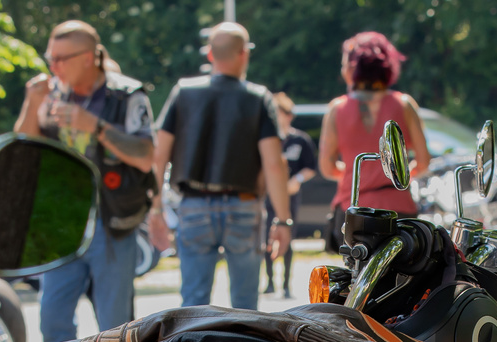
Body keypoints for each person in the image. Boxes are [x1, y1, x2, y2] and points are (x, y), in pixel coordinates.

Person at [16, 20, 157, 342]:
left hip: (111, 223)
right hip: (62, 224)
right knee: (52, 321)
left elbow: (145, 156)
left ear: (89, 57)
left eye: (61, 58)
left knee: (115, 328)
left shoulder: (126, 95)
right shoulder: (50, 93)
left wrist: (95, 126)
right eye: (50, 58)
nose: (53, 66)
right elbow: (24, 152)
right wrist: (31, 102)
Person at [152, 22, 293, 310]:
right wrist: (282, 219)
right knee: (245, 308)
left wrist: (155, 209)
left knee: (192, 305)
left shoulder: (183, 93)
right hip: (244, 207)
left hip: (194, 206)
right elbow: (273, 164)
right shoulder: (258, 98)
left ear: (210, 55)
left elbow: (159, 155)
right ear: (244, 54)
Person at [319, 31, 429, 241]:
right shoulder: (405, 105)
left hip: (355, 209)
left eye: (344, 65)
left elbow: (327, 168)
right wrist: (397, 177)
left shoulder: (336, 109)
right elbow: (423, 162)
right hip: (399, 209)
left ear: (353, 68)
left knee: (358, 272)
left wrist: (358, 176)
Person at [264, 92, 316, 299]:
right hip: (267, 196)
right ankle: (268, 282)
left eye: (280, 114)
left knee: (288, 237)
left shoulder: (299, 140)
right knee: (266, 237)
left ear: (288, 115)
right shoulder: (268, 140)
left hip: (290, 195)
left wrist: (298, 180)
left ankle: (285, 284)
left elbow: (310, 167)